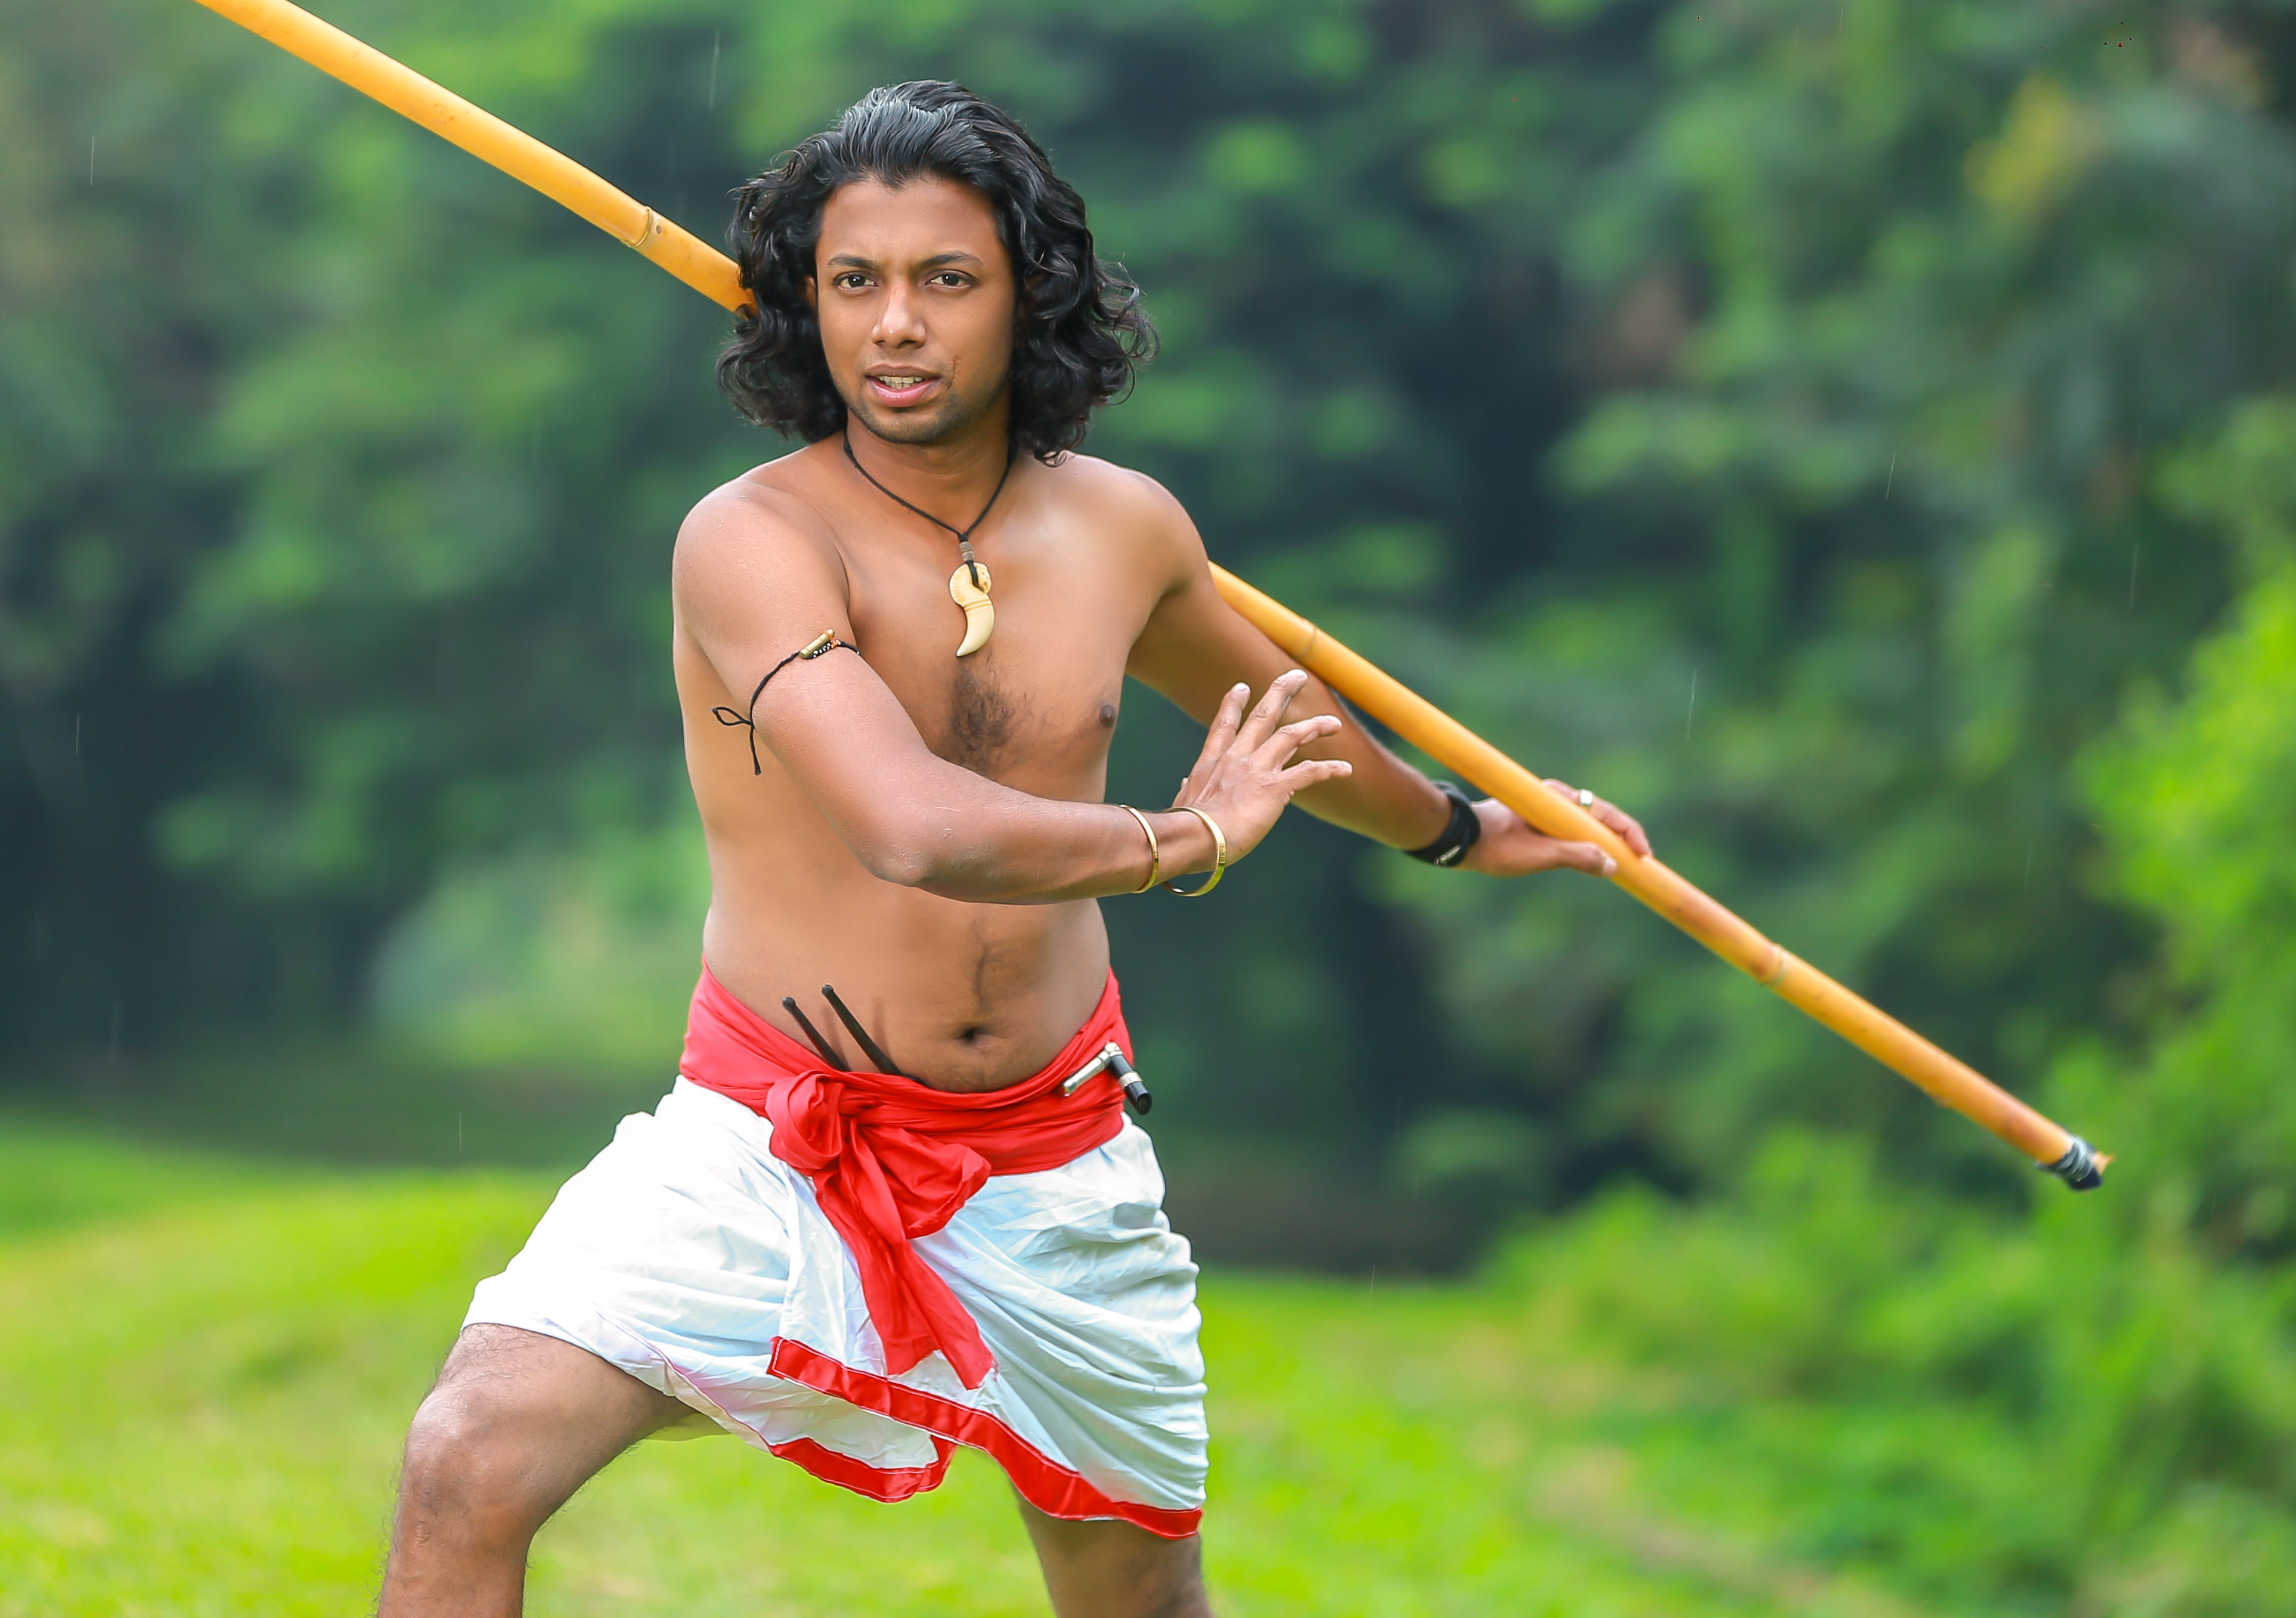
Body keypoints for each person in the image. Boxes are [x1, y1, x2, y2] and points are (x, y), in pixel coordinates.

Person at [374, 80, 1650, 1618]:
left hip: (1054, 1158)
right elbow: (914, 828)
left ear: (1029, 295)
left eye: (945, 281)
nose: (895, 327)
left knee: (1142, 1603)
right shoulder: (753, 539)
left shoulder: (1126, 532)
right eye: (856, 283)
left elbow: (1282, 721)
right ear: (805, 306)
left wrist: (1461, 829)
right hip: (776, 1133)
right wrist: (1187, 838)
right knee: (469, 1455)